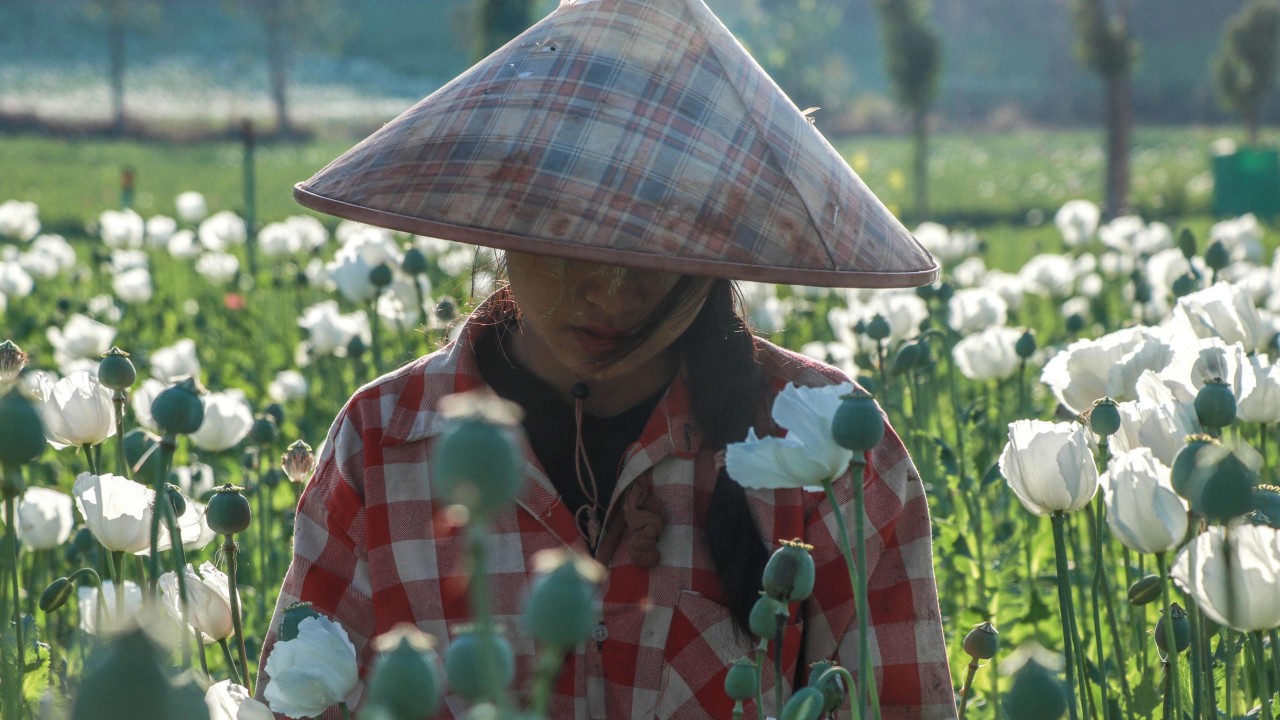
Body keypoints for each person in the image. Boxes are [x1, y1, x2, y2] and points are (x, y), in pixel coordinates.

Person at [258, 0, 953, 718]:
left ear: (723, 248)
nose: (613, 289)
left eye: (660, 247)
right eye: (569, 236)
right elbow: (298, 705)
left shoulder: (827, 448)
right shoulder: (383, 444)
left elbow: (896, 705)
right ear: (501, 219)